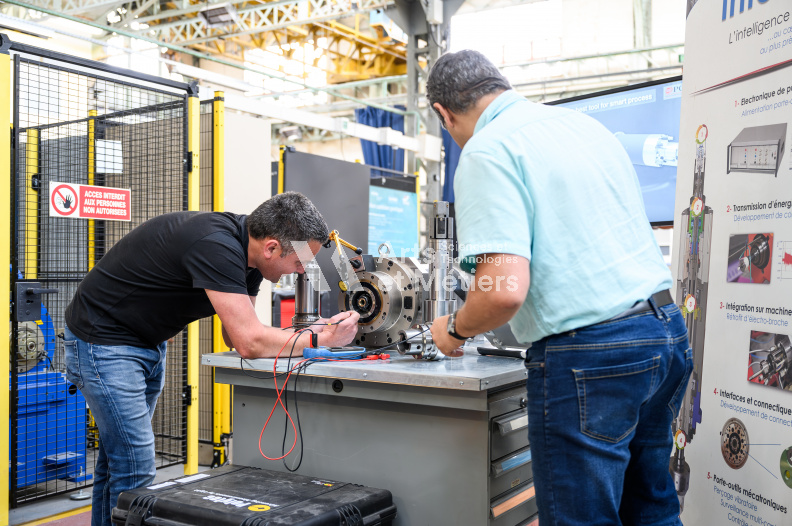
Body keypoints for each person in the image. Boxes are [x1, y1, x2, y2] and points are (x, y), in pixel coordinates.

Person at [427, 50, 691, 526]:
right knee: (650, 506)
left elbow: (503, 289)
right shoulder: (583, 127)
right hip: (664, 331)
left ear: (444, 113)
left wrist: (454, 331)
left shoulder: (488, 149)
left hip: (593, 356)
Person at [63, 191, 360, 526]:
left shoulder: (248, 260)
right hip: (104, 343)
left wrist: (311, 333)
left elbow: (233, 335)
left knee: (117, 461)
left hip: (143, 344)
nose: (301, 270)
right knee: (135, 466)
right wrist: (322, 338)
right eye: (299, 263)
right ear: (272, 247)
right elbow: (248, 343)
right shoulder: (215, 245)